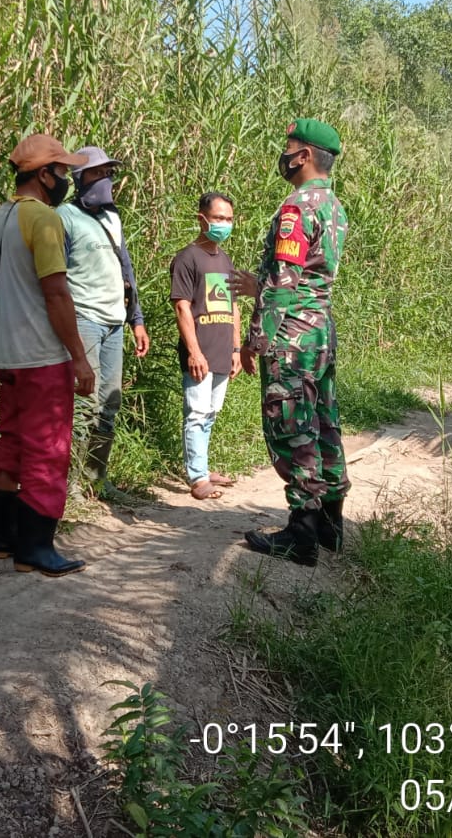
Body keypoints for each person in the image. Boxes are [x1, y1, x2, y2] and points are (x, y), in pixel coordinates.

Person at [231, 118, 349, 566]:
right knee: (323, 420)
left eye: (289, 147)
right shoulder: (335, 206)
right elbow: (309, 279)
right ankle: (331, 526)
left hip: (292, 336)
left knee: (293, 425)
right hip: (320, 331)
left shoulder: (297, 209)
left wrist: (253, 341)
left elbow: (284, 283)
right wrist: (257, 286)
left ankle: (301, 531)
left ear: (303, 156)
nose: (284, 154)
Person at [0, 133, 96, 578]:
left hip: (6, 354)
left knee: (11, 439)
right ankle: (35, 548)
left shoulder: (0, 217)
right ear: (44, 174)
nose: (67, 179)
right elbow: (56, 294)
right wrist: (80, 358)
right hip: (40, 355)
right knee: (48, 449)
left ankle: (0, 538)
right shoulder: (43, 220)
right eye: (63, 171)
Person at [56, 145, 150, 502]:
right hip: (84, 319)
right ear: (80, 179)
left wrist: (136, 320)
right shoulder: (64, 217)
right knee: (84, 403)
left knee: (110, 403)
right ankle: (73, 486)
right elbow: (55, 278)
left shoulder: (113, 218)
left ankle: (98, 479)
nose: (105, 180)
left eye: (109, 173)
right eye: (97, 173)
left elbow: (127, 271)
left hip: (115, 323)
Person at [169, 192, 242, 501]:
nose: (223, 224)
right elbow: (182, 307)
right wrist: (194, 351)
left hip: (223, 351)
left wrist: (237, 348)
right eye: (218, 218)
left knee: (210, 412)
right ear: (202, 219)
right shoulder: (187, 258)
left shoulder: (224, 259)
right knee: (196, 413)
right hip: (200, 352)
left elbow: (235, 306)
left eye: (228, 219)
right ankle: (197, 477)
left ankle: (203, 466)